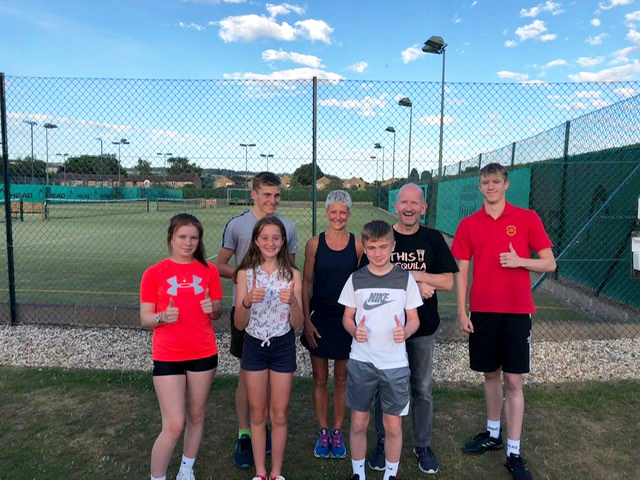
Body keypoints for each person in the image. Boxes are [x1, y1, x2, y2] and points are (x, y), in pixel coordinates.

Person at [451, 163, 556, 480]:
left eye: (496, 181)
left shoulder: (527, 218)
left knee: (514, 381)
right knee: (490, 375)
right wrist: (461, 310)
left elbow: (549, 262)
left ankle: (514, 452)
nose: (491, 186)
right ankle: (493, 434)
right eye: (485, 182)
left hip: (516, 312)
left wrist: (520, 261)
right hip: (482, 312)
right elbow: (462, 270)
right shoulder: (469, 224)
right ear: (480, 186)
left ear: (506, 184)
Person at [367, 183, 458, 475]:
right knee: (384, 389)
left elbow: (447, 282)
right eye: (403, 202)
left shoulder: (433, 238)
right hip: (386, 331)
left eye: (414, 203)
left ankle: (423, 445)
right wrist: (415, 286)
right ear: (396, 206)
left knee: (421, 388)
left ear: (423, 208)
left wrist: (417, 275)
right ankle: (382, 441)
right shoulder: (384, 237)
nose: (408, 207)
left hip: (422, 329)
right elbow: (368, 279)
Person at [216, 172, 298, 469]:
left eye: (277, 195)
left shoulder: (287, 226)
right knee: (246, 376)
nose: (272, 200)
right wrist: (247, 279)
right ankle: (245, 433)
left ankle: (267, 434)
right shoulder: (238, 224)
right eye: (266, 194)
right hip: (248, 311)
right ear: (254, 194)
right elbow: (220, 265)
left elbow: (289, 269)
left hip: (277, 321)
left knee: (272, 388)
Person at [140, 213, 224, 480]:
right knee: (174, 423)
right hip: (168, 355)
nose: (188, 243)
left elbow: (218, 310)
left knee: (196, 414)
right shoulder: (154, 273)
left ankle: (186, 469)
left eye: (194, 238)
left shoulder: (209, 271)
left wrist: (214, 308)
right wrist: (162, 317)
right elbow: (145, 319)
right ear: (171, 238)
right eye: (182, 237)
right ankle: (157, 477)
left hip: (203, 352)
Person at [339, 220, 423, 480]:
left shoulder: (405, 279)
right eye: (372, 247)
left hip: (395, 363)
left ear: (393, 246)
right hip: (362, 360)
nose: (377, 253)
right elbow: (347, 317)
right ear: (364, 247)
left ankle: (390, 474)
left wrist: (406, 331)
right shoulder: (356, 279)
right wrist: (354, 330)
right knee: (359, 422)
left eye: (383, 247)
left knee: (393, 424)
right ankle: (358, 474)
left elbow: (414, 319)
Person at [233, 215, 304, 480]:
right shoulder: (245, 274)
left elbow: (298, 325)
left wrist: (294, 303)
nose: (270, 243)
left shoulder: (293, 275)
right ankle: (260, 473)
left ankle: (276, 473)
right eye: (264, 237)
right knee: (258, 412)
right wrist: (248, 301)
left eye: (276, 238)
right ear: (255, 241)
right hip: (254, 345)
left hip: (283, 344)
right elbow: (240, 324)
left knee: (279, 413)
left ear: (283, 241)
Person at [301, 190, 364, 459]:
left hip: (346, 321)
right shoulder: (314, 244)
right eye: (333, 211)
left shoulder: (359, 244)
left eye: (343, 212)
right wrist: (306, 320)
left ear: (349, 214)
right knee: (319, 378)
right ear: (326, 213)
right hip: (320, 319)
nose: (338, 217)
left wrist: (358, 321)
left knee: (341, 379)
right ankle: (323, 429)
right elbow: (306, 283)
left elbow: (362, 285)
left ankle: (338, 431)